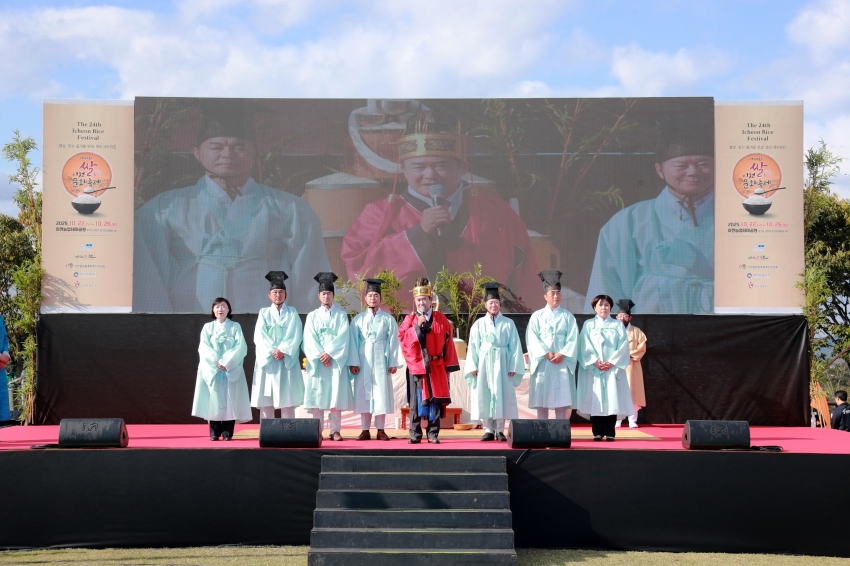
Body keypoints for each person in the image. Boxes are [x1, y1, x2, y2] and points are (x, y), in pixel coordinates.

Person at [133, 99, 330, 314]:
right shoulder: (163, 209)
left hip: (267, 330)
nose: (227, 154)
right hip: (188, 327)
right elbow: (148, 282)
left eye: (239, 147)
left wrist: (307, 330)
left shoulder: (291, 209)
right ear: (197, 152)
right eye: (216, 147)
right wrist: (162, 336)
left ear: (255, 154)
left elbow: (310, 276)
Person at [341, 111, 543, 310]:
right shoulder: (377, 215)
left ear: (463, 166)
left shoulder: (498, 214)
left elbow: (526, 279)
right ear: (403, 169)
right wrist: (418, 236)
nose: (430, 174)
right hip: (406, 330)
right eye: (419, 167)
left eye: (440, 165)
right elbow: (360, 273)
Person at [584, 115, 714, 314]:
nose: (693, 172)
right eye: (681, 166)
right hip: (650, 332)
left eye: (703, 164)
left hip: (722, 331)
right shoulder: (627, 222)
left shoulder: (738, 219)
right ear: (660, 170)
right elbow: (606, 288)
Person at [398, 277, 460, 444]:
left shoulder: (441, 319)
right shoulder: (409, 319)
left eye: (424, 299)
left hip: (437, 365)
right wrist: (417, 327)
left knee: (435, 400)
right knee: (415, 401)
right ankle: (415, 433)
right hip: (416, 366)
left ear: (430, 300)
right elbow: (403, 340)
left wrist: (448, 368)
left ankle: (433, 433)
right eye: (418, 300)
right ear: (415, 301)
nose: (421, 303)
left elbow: (449, 344)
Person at [465, 283, 524, 441]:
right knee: (485, 394)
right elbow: (473, 347)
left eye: (496, 303)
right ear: (486, 305)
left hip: (502, 363)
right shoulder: (478, 325)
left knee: (501, 394)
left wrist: (513, 366)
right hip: (484, 364)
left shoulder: (508, 324)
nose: (494, 305)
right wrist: (473, 366)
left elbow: (515, 347)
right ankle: (488, 429)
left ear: (500, 304)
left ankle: (500, 429)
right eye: (491, 303)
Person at [191, 297, 252, 441]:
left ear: (228, 309)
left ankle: (227, 431)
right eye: (217, 306)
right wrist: (216, 361)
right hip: (213, 369)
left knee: (230, 399)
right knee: (214, 398)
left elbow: (240, 346)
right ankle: (214, 431)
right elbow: (204, 347)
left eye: (223, 306)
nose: (220, 309)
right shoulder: (207, 327)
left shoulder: (235, 326)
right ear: (213, 310)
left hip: (230, 368)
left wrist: (226, 362)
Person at [348, 278, 401, 441]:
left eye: (376, 295)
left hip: (380, 359)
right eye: (370, 295)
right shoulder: (358, 319)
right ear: (366, 298)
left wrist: (392, 362)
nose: (373, 298)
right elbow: (352, 342)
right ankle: (365, 430)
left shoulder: (388, 319)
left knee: (380, 394)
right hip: (363, 360)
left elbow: (393, 341)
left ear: (380, 298)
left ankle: (380, 429)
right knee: (364, 394)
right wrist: (353, 362)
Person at [302, 272, 352, 441]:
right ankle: (318, 430)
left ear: (334, 296)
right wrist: (320, 355)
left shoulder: (341, 315)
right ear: (319, 296)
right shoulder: (312, 316)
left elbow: (344, 337)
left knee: (335, 397)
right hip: (319, 363)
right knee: (318, 397)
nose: (326, 296)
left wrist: (330, 353)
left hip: (334, 361)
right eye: (323, 293)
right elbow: (308, 338)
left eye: (329, 293)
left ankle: (335, 430)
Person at [576, 294, 633, 441]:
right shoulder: (589, 325)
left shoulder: (617, 325)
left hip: (611, 369)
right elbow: (584, 345)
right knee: (596, 400)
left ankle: (610, 432)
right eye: (600, 305)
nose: (604, 308)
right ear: (594, 307)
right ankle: (597, 432)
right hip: (594, 369)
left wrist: (612, 362)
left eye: (607, 305)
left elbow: (623, 347)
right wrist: (595, 361)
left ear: (611, 308)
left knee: (611, 399)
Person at [525, 270, 579, 420]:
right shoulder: (537, 316)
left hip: (561, 363)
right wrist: (545, 353)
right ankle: (542, 434)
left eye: (558, 293)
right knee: (542, 403)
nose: (556, 296)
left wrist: (563, 354)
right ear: (545, 296)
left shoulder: (568, 316)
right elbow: (532, 337)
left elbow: (573, 338)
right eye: (552, 293)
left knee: (561, 403)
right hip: (544, 362)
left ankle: (559, 435)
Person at [251, 271, 304, 420]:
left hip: (285, 359)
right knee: (267, 399)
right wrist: (272, 351)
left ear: (286, 294)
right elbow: (259, 337)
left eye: (281, 292)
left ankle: (289, 431)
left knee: (287, 399)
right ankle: (267, 432)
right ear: (269, 295)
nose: (278, 295)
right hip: (269, 360)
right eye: (274, 292)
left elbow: (296, 335)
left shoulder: (292, 313)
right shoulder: (264, 313)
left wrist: (283, 351)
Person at [615, 299, 647, 428]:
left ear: (630, 317)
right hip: (616, 366)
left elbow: (642, 347)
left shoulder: (636, 332)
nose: (623, 318)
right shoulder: (612, 331)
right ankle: (617, 419)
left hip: (632, 366)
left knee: (632, 392)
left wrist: (629, 354)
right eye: (620, 315)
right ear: (616, 317)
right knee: (616, 392)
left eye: (625, 316)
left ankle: (632, 419)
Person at [0, 314, 10, 422]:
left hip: (1, 368)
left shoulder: (0, 317)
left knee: (2, 403)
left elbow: (5, 338)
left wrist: (5, 355)